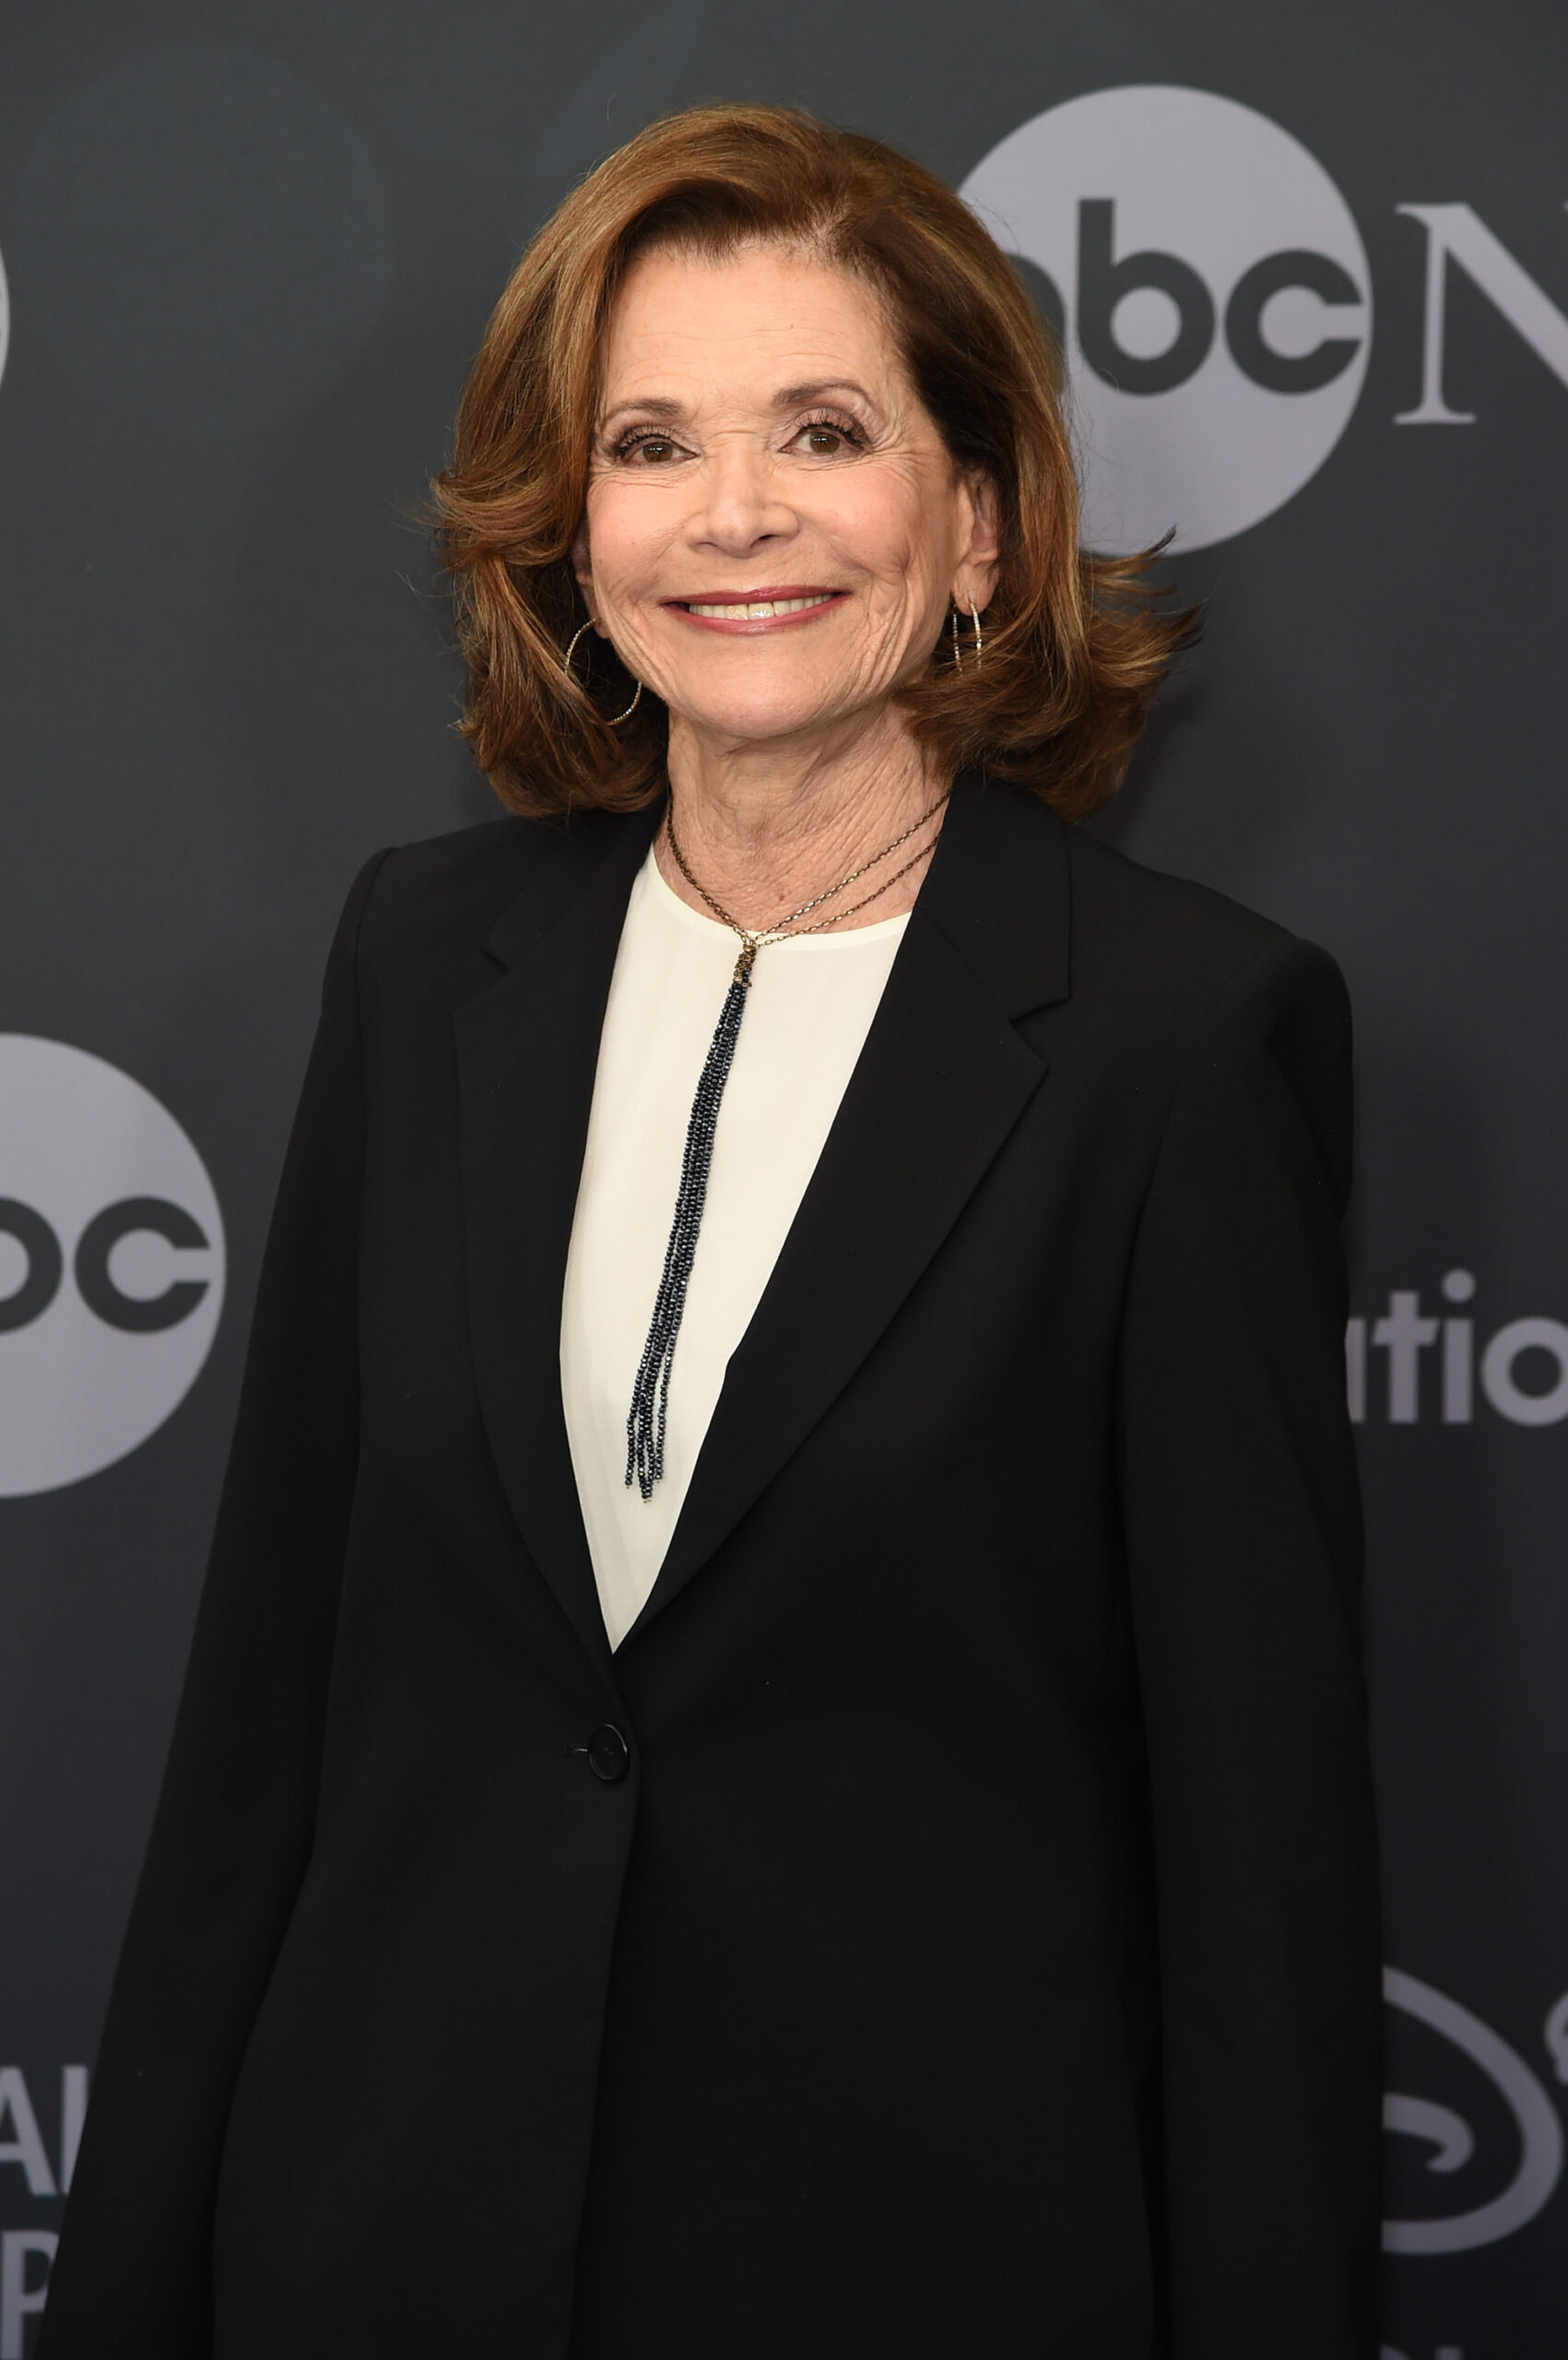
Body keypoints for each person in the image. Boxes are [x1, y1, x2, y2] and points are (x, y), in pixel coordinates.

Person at [39, 102, 1383, 2360]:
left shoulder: (1179, 1040)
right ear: (568, 536)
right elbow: (263, 1722)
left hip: (916, 2272)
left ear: (974, 520)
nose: (731, 514)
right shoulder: (419, 957)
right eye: (650, 441)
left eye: (822, 430)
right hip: (376, 2255)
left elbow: (1254, 1888)